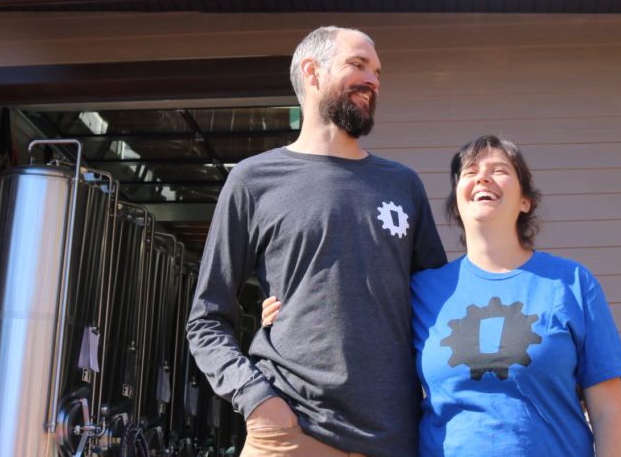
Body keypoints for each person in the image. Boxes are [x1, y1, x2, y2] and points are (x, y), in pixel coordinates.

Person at [265, 134, 621, 456]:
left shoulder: (571, 283)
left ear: (526, 201)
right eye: (469, 172)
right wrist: (283, 318)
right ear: (456, 203)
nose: (482, 177)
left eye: (500, 169)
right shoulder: (421, 291)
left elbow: (608, 413)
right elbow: (348, 327)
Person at [187, 26, 448, 457]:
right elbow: (206, 319)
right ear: (312, 71)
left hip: (392, 437)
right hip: (290, 434)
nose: (373, 80)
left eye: (378, 71)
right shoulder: (253, 181)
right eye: (358, 65)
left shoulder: (403, 185)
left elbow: (436, 309)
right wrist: (256, 399)